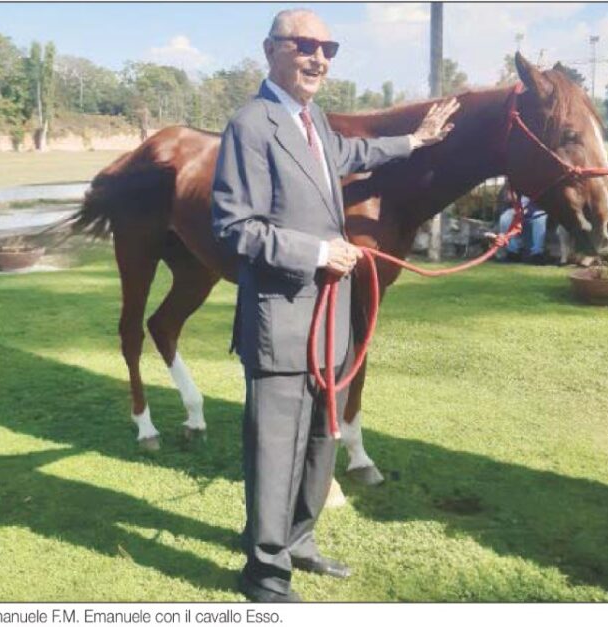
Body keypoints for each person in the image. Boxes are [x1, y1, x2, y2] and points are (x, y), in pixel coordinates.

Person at [210, 8, 459, 602]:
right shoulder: (250, 125)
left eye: (329, 47)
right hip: (281, 316)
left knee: (323, 436)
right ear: (271, 49)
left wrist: (415, 140)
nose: (318, 57)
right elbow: (233, 227)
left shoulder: (313, 120)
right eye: (305, 45)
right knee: (275, 447)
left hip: (329, 319)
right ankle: (265, 572)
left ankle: (300, 539)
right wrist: (319, 249)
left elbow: (349, 155)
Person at [496, 193, 548, 264]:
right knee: (505, 218)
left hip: (537, 209)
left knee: (540, 218)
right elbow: (507, 197)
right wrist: (510, 197)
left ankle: (537, 254)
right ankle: (513, 252)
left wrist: (528, 209)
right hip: (517, 208)